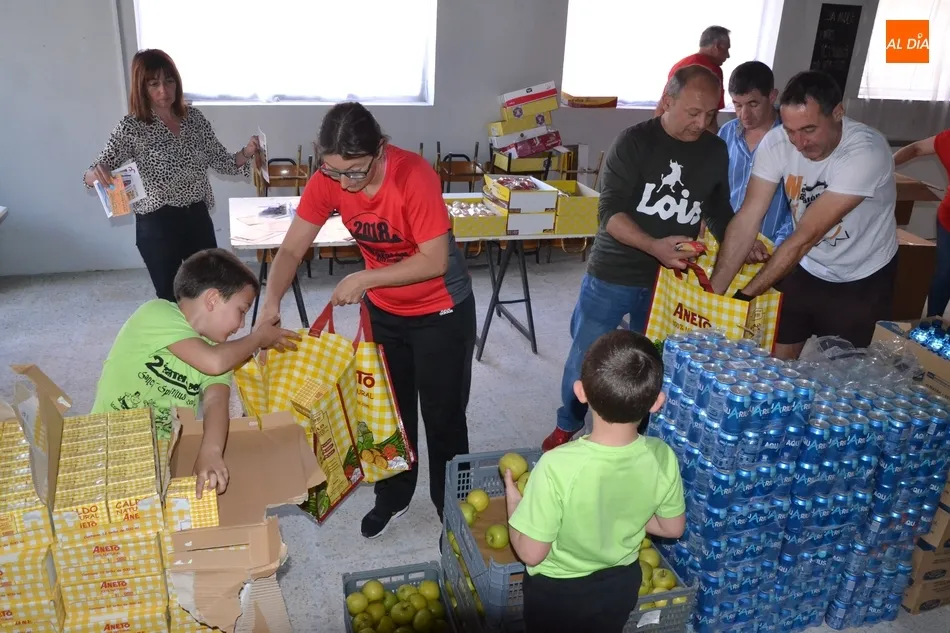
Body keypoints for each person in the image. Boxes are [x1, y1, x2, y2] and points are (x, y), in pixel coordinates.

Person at [255, 102, 476, 538]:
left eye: (354, 171)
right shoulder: (329, 180)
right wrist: (270, 302)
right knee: (387, 413)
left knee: (444, 416)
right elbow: (292, 248)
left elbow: (433, 260)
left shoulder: (413, 176)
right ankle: (393, 497)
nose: (344, 183)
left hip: (442, 311)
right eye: (333, 171)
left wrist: (366, 277)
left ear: (380, 149)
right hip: (386, 315)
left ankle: (452, 510)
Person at [543, 65, 734, 452]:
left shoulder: (715, 150)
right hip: (615, 270)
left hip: (671, 279)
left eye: (711, 114)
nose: (701, 123)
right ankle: (568, 422)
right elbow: (609, 213)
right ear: (667, 100)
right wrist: (653, 246)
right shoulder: (633, 142)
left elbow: (717, 209)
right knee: (588, 353)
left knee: (654, 360)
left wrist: (741, 239)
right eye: (693, 113)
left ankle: (640, 433)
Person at [504, 330, 686, 633]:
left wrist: (514, 506)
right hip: (620, 587)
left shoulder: (556, 465)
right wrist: (622, 512)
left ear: (580, 392)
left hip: (557, 595)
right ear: (657, 402)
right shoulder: (662, 456)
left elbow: (531, 552)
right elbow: (672, 527)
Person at [709, 70, 898, 359]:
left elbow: (804, 237)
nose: (798, 142)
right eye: (789, 130)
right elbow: (748, 217)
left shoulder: (865, 152)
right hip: (807, 268)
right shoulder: (777, 142)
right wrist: (714, 295)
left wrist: (745, 296)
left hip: (861, 277)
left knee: (841, 375)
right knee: (776, 361)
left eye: (809, 130)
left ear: (837, 113)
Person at [91, 249, 300, 496]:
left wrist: (210, 452)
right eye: (241, 311)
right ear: (212, 299)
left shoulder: (220, 353)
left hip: (158, 455)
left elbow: (216, 402)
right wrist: (258, 338)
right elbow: (213, 362)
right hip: (105, 444)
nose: (242, 324)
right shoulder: (156, 313)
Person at [83, 49, 261, 303]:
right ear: (141, 88)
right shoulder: (131, 126)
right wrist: (96, 172)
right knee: (169, 297)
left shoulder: (194, 119)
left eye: (169, 81)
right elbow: (91, 176)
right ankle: (176, 343)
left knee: (208, 290)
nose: (163, 91)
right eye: (153, 84)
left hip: (197, 218)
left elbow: (223, 161)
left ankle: (205, 342)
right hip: (158, 224)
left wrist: (248, 152)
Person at [718, 61, 794, 261]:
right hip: (724, 242)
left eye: (753, 104)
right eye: (737, 105)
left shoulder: (793, 139)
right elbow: (714, 191)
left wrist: (777, 245)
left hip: (771, 251)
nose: (745, 114)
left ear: (772, 96)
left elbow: (800, 203)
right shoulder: (726, 133)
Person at [893, 130, 950, 318]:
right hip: (948, 220)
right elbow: (916, 148)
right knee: (944, 275)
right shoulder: (946, 139)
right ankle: (934, 321)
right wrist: (885, 164)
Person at [655, 26, 731, 133]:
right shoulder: (712, 70)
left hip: (668, 130)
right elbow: (711, 115)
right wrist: (712, 143)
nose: (728, 56)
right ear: (717, 46)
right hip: (693, 136)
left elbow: (662, 106)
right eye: (726, 49)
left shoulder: (680, 64)